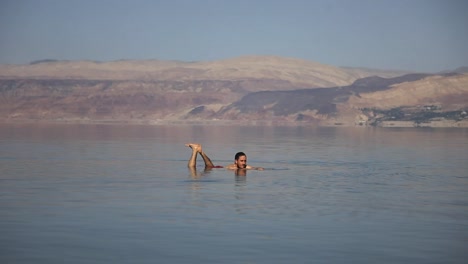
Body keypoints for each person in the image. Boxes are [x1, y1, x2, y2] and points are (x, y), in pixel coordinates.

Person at [185, 143, 264, 171]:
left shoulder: (246, 167)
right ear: (236, 161)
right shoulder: (232, 167)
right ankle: (195, 150)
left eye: (245, 161)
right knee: (191, 168)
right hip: (218, 168)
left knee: (209, 167)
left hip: (216, 168)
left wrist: (259, 168)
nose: (244, 163)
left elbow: (254, 168)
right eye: (242, 161)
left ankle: (199, 151)